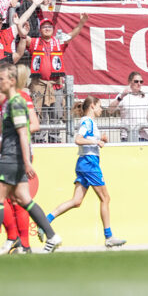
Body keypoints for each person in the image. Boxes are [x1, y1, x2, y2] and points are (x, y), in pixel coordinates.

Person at [0, 61, 61, 255]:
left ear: (11, 81)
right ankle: (51, 236)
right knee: (23, 198)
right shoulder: (8, 103)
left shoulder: (18, 102)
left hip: (14, 156)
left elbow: (22, 133)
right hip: (11, 155)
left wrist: (27, 161)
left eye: (1, 80)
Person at [46, 97, 126, 248]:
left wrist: (100, 139)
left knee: (76, 201)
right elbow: (78, 139)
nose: (101, 109)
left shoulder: (90, 123)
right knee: (105, 198)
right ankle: (109, 236)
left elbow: (87, 138)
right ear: (92, 106)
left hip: (85, 162)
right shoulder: (87, 122)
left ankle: (46, 219)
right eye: (100, 106)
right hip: (89, 163)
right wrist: (96, 142)